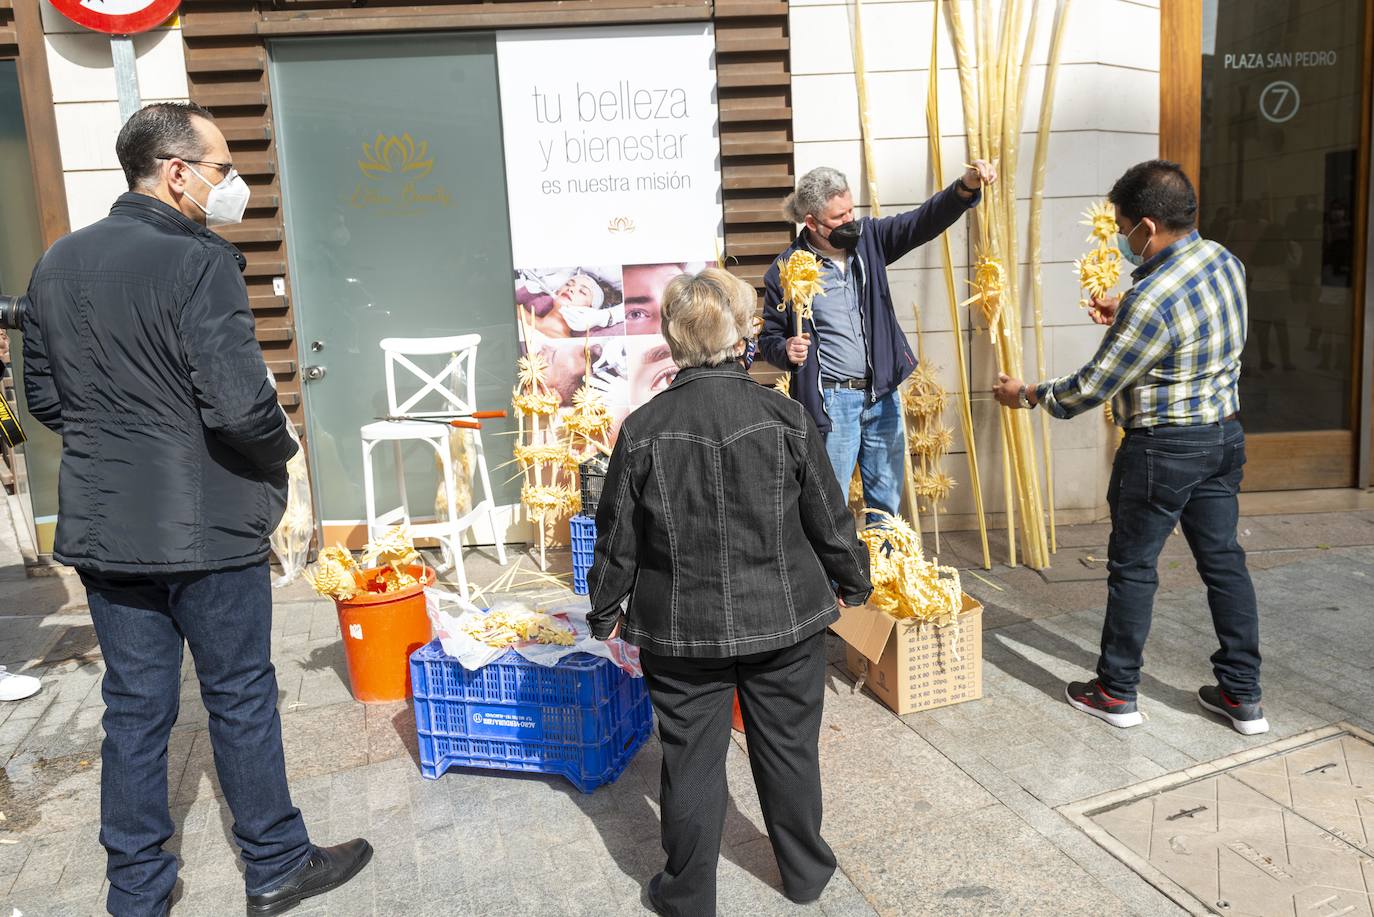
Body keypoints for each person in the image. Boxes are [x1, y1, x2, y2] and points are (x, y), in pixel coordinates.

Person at [21, 102, 371, 916]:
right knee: (240, 693)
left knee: (135, 706)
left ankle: (136, 888)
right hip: (205, 528)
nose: (231, 184)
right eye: (221, 168)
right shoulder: (202, 261)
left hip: (107, 529)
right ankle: (277, 860)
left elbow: (43, 397)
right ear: (176, 172)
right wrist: (283, 457)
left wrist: (121, 439)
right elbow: (241, 406)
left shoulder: (55, 263)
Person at [588, 268, 872, 916]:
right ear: (744, 334)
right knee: (790, 750)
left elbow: (617, 542)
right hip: (787, 617)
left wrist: (604, 609)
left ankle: (688, 895)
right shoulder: (785, 414)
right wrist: (855, 579)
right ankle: (805, 873)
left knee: (689, 761)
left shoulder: (642, 428)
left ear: (672, 338)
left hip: (682, 631)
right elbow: (830, 519)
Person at [993, 160, 1267, 736]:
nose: (1122, 239)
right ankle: (1242, 696)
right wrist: (1126, 312)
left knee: (1134, 569)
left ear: (1147, 225)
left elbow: (1090, 387)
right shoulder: (1225, 260)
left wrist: (1027, 394)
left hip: (1163, 450)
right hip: (1222, 437)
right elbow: (1188, 327)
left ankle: (1117, 691)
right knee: (1224, 564)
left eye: (1123, 229)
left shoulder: (1150, 299)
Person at [758, 162, 993, 517]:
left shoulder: (869, 240)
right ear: (811, 223)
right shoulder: (786, 270)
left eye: (851, 209)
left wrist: (964, 188)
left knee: (885, 503)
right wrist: (785, 350)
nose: (850, 220)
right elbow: (769, 337)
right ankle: (836, 574)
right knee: (829, 503)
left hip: (881, 394)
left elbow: (921, 222)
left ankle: (889, 568)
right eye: (839, 216)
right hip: (832, 402)